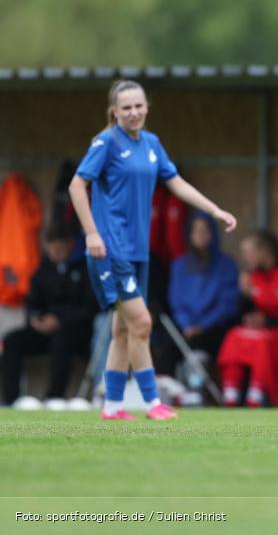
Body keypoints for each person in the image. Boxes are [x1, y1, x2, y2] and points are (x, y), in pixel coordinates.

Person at [69, 79, 237, 420]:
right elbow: (76, 184)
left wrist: (214, 210)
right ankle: (152, 402)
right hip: (110, 250)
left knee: (122, 328)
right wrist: (91, 233)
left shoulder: (151, 144)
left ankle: (113, 407)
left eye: (138, 106)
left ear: (147, 107)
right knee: (142, 324)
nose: (133, 113)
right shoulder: (106, 143)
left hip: (138, 251)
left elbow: (175, 182)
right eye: (126, 108)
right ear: (115, 111)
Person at [2, 224, 96, 405]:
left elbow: (89, 307)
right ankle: (11, 401)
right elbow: (32, 302)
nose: (55, 254)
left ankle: (54, 398)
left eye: (59, 249)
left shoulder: (85, 268)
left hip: (75, 331)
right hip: (45, 330)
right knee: (12, 340)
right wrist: (37, 319)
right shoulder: (43, 270)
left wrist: (60, 320)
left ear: (70, 245)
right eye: (51, 249)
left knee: (63, 339)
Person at [217, 231, 278, 407]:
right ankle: (230, 395)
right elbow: (240, 315)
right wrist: (244, 295)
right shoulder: (251, 276)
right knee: (234, 335)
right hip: (264, 332)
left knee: (260, 341)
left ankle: (256, 396)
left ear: (264, 250)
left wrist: (268, 322)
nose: (245, 257)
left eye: (248, 252)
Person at [157, 212, 241, 379]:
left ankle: (198, 391)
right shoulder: (179, 265)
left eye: (205, 230)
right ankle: (167, 389)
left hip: (214, 326)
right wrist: (187, 324)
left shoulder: (226, 265)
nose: (200, 235)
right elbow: (176, 300)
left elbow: (228, 303)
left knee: (206, 342)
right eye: (195, 231)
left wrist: (202, 325)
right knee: (167, 341)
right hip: (185, 326)